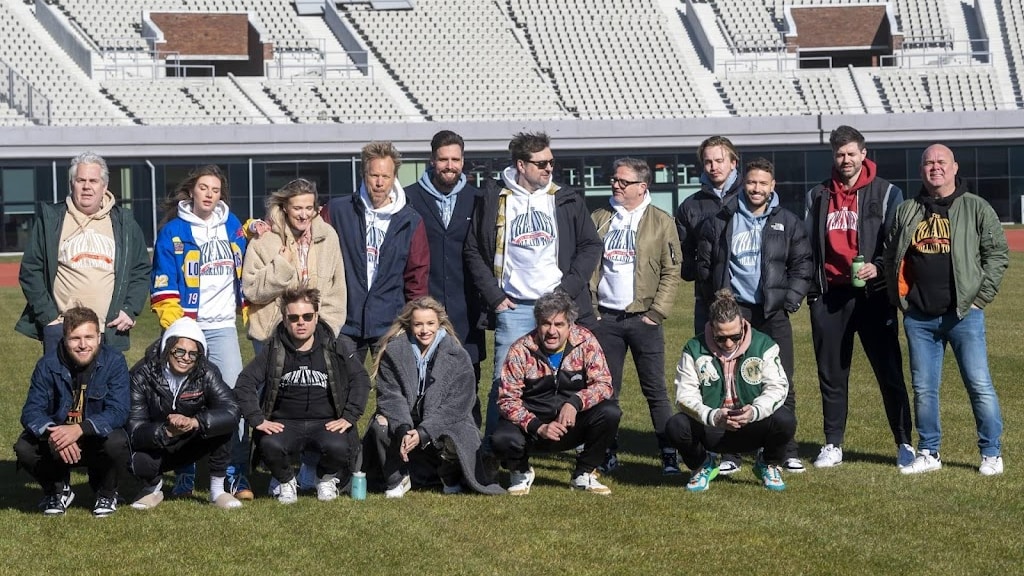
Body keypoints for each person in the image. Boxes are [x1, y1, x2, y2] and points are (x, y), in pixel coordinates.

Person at [464, 131, 602, 446]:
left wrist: (566, 290)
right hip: (514, 307)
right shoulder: (494, 198)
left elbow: (591, 245)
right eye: (541, 163)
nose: (549, 168)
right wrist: (495, 296)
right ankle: (496, 448)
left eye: (551, 162)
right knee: (503, 382)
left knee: (571, 378)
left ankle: (577, 445)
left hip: (558, 307)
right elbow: (473, 249)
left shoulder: (565, 197)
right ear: (521, 165)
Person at [883, 144, 1009, 476]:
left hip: (964, 314)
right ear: (921, 170)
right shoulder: (907, 210)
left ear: (954, 167)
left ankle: (991, 453)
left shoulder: (976, 207)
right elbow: (891, 253)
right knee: (924, 389)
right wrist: (901, 300)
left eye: (941, 162)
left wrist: (980, 298)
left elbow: (997, 254)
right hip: (919, 317)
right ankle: (929, 451)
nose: (935, 167)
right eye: (928, 163)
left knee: (979, 384)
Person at [804, 125, 913, 469]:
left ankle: (904, 443)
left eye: (851, 153)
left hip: (873, 297)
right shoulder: (817, 195)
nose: (846, 160)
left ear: (864, 154)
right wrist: (813, 294)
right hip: (830, 297)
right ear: (833, 156)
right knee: (832, 375)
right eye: (840, 154)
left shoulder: (887, 192)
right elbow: (807, 247)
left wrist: (878, 267)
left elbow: (896, 242)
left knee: (889, 372)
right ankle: (832, 444)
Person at [696, 158, 812, 473]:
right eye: (751, 182)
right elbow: (705, 265)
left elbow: (803, 263)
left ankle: (784, 450)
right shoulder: (722, 219)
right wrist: (718, 301)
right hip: (736, 312)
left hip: (772, 312)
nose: (756, 188)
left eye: (762, 183)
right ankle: (731, 452)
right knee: (730, 382)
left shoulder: (787, 221)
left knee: (781, 380)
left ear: (772, 186)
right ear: (742, 184)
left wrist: (790, 299)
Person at [149, 165, 252, 499]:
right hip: (189, 329)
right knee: (184, 401)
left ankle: (235, 473)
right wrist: (180, 331)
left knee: (234, 401)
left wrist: (254, 227)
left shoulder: (232, 224)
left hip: (223, 328)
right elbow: (163, 285)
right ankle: (185, 470)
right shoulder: (172, 231)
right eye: (204, 188)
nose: (209, 194)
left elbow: (248, 245)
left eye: (216, 190)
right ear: (192, 190)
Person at [235, 287, 371, 504]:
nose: (301, 322)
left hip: (326, 422)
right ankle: (286, 480)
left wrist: (349, 416)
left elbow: (361, 378)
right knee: (268, 444)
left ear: (316, 317)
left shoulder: (334, 346)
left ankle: (324, 479)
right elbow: (245, 382)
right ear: (285, 319)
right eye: (294, 317)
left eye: (307, 316)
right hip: (285, 423)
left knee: (340, 446)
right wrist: (257, 419)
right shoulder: (274, 348)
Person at [589, 157, 682, 474]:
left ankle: (668, 452)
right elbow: (587, 266)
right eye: (614, 179)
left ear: (642, 187)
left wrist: (657, 313)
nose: (615, 185)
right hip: (606, 320)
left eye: (623, 181)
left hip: (645, 319)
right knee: (606, 390)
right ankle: (606, 451)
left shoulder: (661, 221)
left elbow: (672, 271)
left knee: (655, 390)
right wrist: (592, 311)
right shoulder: (600, 217)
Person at [364, 297, 504, 497]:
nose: (424, 330)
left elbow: (457, 406)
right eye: (418, 324)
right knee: (381, 424)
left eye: (430, 323)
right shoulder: (393, 352)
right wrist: (403, 428)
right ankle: (397, 478)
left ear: (439, 323)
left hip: (445, 421)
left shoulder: (458, 355)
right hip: (407, 419)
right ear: (409, 325)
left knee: (456, 434)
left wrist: (424, 432)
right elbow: (390, 396)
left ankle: (450, 475)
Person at [16, 151, 150, 354]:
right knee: (58, 377)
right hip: (62, 330)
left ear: (104, 186)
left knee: (110, 376)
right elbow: (30, 270)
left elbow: (140, 269)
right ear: (72, 184)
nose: (87, 186)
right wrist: (49, 318)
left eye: (93, 181)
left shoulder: (124, 222)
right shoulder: (52, 220)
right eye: (81, 180)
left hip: (109, 331)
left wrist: (130, 309)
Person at [491, 290, 620, 496]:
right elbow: (507, 400)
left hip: (571, 424)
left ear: (570, 325)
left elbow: (604, 384)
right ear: (537, 324)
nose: (552, 331)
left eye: (559, 324)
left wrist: (575, 402)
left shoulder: (586, 342)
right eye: (546, 324)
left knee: (610, 412)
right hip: (533, 428)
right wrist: (538, 426)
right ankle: (521, 472)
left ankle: (584, 472)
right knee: (501, 438)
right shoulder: (520, 349)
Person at [667, 289, 795, 492]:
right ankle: (702, 465)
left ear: (743, 325)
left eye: (735, 337)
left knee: (785, 419)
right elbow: (684, 395)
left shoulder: (764, 345)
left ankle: (768, 464)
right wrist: (714, 416)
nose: (728, 343)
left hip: (751, 424)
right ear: (711, 328)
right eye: (721, 338)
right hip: (713, 426)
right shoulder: (693, 348)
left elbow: (777, 387)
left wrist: (754, 411)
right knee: (676, 425)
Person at [14, 305, 130, 517]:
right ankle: (57, 490)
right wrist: (55, 434)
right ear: (65, 339)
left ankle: (106, 492)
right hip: (59, 441)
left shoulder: (114, 361)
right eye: (75, 338)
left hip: (95, 437)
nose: (83, 345)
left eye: (89, 337)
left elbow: (119, 410)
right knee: (25, 447)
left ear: (99, 337)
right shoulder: (47, 364)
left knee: (118, 441)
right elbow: (31, 411)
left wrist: (79, 429)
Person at [404, 130, 487, 425]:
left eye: (455, 159)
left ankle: (469, 446)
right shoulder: (409, 198)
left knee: (468, 386)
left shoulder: (478, 199)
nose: (449, 166)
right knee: (422, 386)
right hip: (424, 308)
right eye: (443, 159)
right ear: (432, 160)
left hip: (466, 311)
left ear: (463, 161)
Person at [322, 141, 429, 362]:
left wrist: (415, 319)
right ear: (364, 174)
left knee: (394, 384)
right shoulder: (337, 211)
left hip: (391, 324)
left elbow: (416, 277)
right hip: (344, 323)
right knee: (345, 384)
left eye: (386, 177)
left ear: (394, 177)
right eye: (374, 176)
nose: (379, 183)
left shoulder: (410, 221)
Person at [126, 317, 243, 509]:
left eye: (193, 354)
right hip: (157, 442)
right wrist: (167, 431)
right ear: (167, 349)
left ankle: (217, 491)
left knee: (223, 425)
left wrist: (194, 422)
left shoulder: (207, 372)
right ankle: (152, 489)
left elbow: (231, 409)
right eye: (179, 351)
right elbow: (134, 429)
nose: (185, 358)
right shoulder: (142, 374)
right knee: (136, 460)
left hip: (191, 439)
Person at [242, 177, 346, 351]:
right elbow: (251, 291)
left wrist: (326, 329)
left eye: (308, 208)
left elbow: (337, 289)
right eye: (297, 208)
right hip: (271, 338)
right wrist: (281, 266)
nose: (304, 215)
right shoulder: (264, 239)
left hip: (317, 337)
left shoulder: (328, 236)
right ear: (285, 207)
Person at [675, 136, 743, 335]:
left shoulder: (750, 198)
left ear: (733, 163)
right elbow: (683, 250)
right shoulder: (690, 206)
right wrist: (698, 272)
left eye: (719, 161)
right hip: (707, 297)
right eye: (708, 162)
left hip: (747, 296)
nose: (714, 167)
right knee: (707, 349)